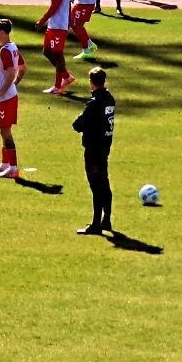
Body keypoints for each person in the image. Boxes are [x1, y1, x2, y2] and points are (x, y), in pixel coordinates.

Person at [72, 67, 116, 236]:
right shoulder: (109, 99)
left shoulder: (95, 103)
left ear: (91, 82)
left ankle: (96, 224)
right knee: (104, 182)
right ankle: (107, 219)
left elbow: (78, 125)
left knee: (96, 185)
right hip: (105, 147)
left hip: (94, 149)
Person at [0, 19, 25, 179]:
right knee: (3, 130)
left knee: (6, 132)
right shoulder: (13, 47)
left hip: (6, 98)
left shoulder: (5, 51)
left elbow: (10, 72)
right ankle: (5, 164)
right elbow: (22, 68)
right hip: (10, 95)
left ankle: (13, 168)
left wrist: (1, 90)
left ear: (3, 33)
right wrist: (15, 84)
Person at [35, 0, 76, 95]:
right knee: (47, 51)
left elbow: (54, 7)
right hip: (55, 25)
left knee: (58, 55)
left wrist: (41, 21)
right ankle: (66, 77)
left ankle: (58, 86)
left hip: (58, 26)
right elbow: (67, 5)